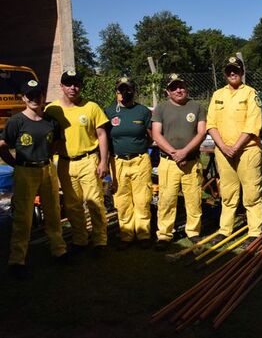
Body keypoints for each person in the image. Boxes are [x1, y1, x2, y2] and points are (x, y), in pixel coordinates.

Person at [0, 80, 67, 279]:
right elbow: (3, 145)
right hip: (25, 171)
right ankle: (17, 260)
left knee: (53, 211)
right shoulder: (16, 122)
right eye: (29, 95)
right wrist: (15, 164)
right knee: (23, 216)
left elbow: (56, 143)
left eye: (38, 94)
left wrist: (46, 157)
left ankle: (59, 250)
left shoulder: (50, 121)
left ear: (43, 96)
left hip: (46, 169)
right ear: (23, 98)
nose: (34, 99)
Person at [46, 70, 110, 256]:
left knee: (95, 202)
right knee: (72, 205)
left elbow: (102, 134)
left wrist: (103, 161)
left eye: (76, 84)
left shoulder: (91, 107)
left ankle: (100, 240)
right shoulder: (53, 110)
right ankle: (80, 239)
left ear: (81, 86)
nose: (73, 88)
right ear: (62, 87)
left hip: (88, 160)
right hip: (65, 163)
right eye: (68, 84)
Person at [206, 57, 262, 247]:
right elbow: (211, 124)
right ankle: (225, 230)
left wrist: (236, 147)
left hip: (247, 150)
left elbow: (252, 124)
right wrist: (223, 147)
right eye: (229, 70)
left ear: (242, 72)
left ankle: (254, 232)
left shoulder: (251, 94)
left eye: (236, 70)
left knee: (251, 193)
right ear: (225, 73)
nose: (232, 73)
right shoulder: (217, 95)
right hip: (223, 152)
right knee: (228, 194)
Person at [152, 73, 206, 250]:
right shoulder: (161, 108)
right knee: (166, 199)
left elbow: (201, 132)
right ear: (167, 91)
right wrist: (174, 153)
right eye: (174, 87)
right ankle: (165, 234)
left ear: (186, 87)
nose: (179, 90)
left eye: (181, 86)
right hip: (169, 162)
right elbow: (156, 134)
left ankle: (194, 232)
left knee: (194, 198)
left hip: (191, 161)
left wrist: (184, 152)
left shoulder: (197, 107)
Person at [104, 77, 153, 250]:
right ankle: (126, 235)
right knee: (122, 200)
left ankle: (143, 234)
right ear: (117, 91)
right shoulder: (109, 112)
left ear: (133, 90)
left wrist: (138, 149)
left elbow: (151, 137)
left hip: (140, 160)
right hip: (117, 162)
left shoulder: (143, 111)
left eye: (128, 89)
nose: (125, 93)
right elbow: (104, 138)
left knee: (142, 199)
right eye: (121, 89)